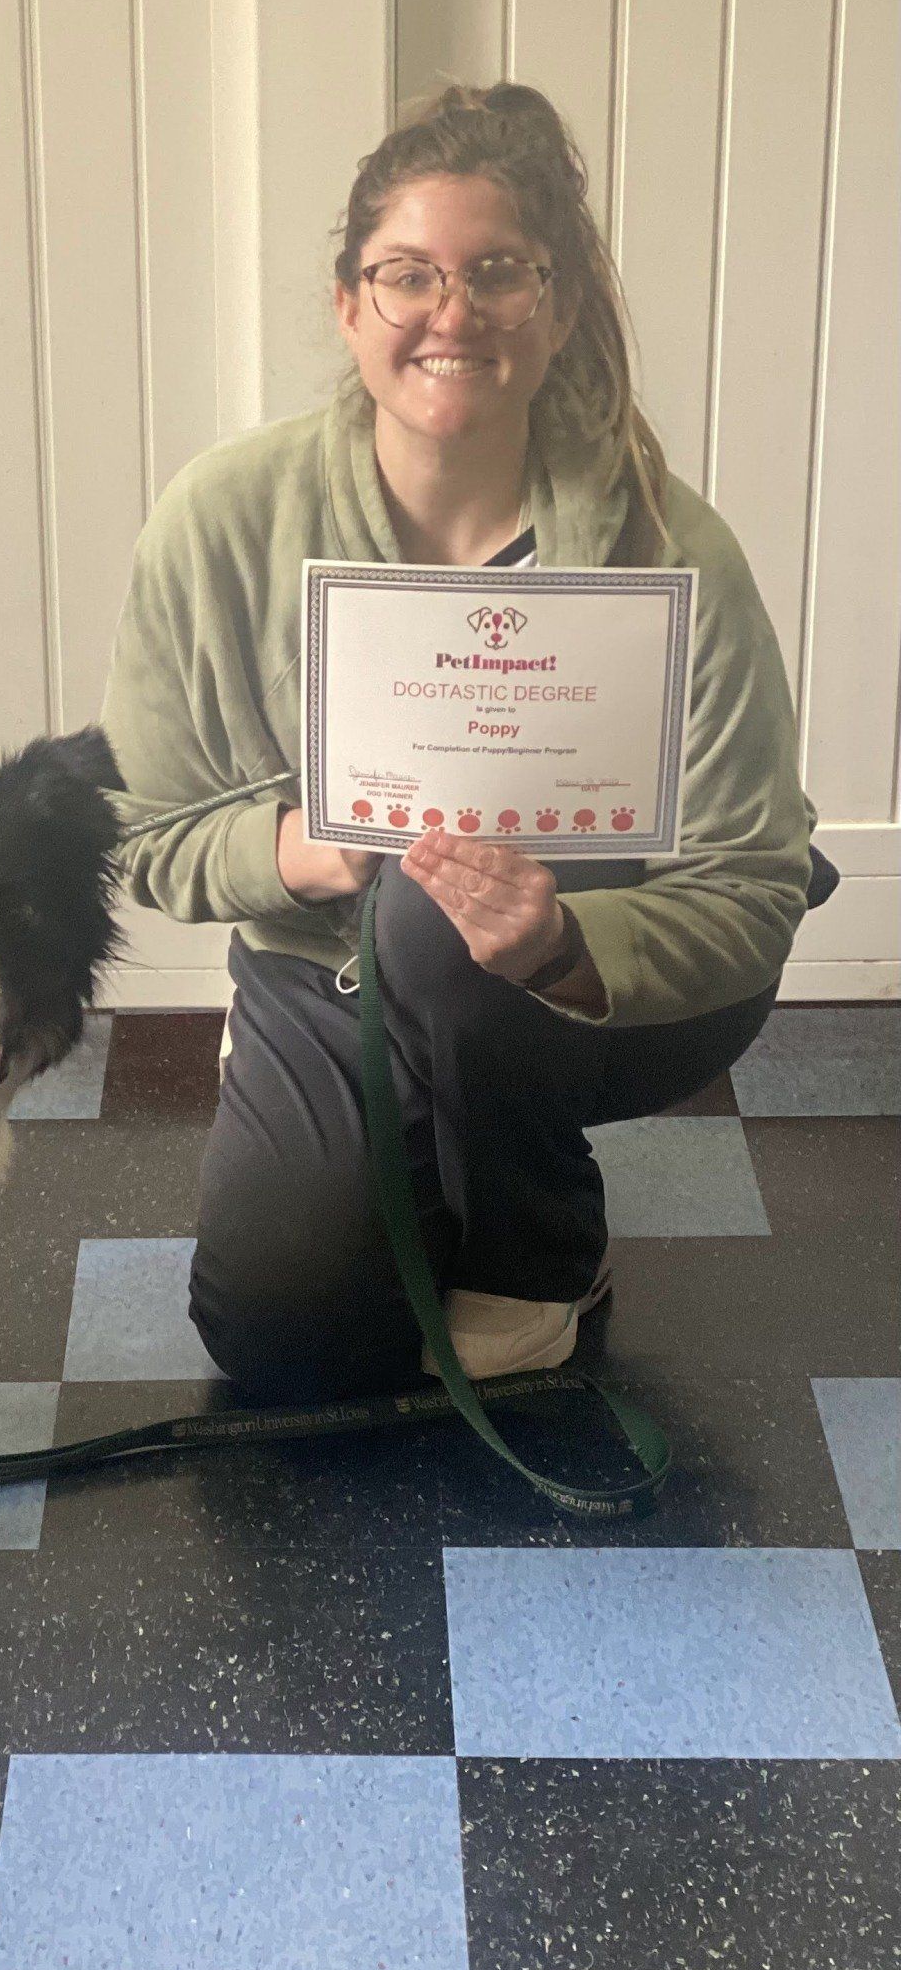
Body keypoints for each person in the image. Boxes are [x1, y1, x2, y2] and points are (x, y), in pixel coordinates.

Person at [99, 81, 835, 1405]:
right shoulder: (219, 520)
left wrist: (561, 944)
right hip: (330, 956)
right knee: (284, 1334)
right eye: (407, 275)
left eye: (499, 272)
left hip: (602, 980)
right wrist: (301, 849)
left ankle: (540, 1249)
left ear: (554, 307)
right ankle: (337, 1091)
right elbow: (148, 837)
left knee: (442, 924)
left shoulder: (675, 547)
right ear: (348, 305)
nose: (453, 312)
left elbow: (752, 888)